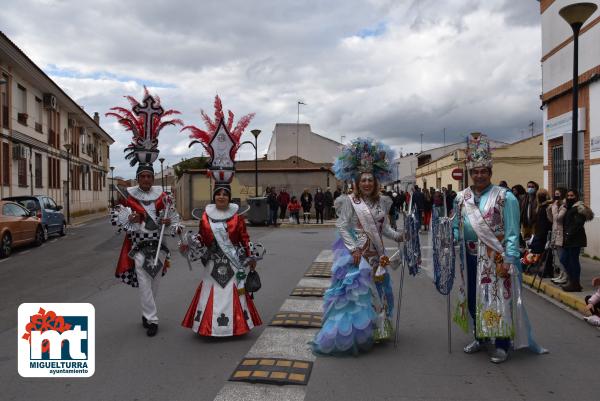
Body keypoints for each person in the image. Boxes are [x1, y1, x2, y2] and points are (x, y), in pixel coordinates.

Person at [453, 133, 545, 364]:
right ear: (470, 173)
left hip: (496, 257)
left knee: (497, 299)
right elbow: (456, 226)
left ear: (490, 172)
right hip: (470, 256)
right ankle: (480, 337)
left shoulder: (506, 197)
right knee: (473, 299)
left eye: (484, 171)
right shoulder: (461, 198)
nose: (479, 175)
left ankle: (502, 344)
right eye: (475, 171)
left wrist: (510, 259)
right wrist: (452, 237)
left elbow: (513, 232)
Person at [180, 94, 263, 337]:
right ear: (214, 197)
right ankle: (210, 328)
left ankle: (235, 327)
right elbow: (201, 239)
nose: (222, 198)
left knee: (232, 292)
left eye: (225, 195)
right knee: (212, 291)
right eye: (218, 195)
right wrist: (190, 245)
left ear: (229, 196)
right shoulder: (205, 216)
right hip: (212, 263)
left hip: (233, 261)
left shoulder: (238, 215)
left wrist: (250, 257)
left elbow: (244, 238)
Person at [312, 138, 404, 355]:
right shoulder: (349, 201)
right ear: (356, 181)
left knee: (378, 293)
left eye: (370, 180)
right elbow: (342, 226)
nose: (366, 183)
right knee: (357, 297)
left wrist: (400, 236)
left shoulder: (383, 202)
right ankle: (355, 334)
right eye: (363, 180)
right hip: (357, 255)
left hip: (377, 256)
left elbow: (385, 229)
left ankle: (376, 329)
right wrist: (353, 249)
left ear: (375, 182)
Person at [107, 89, 184, 337]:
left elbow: (175, 223)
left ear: (153, 178)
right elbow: (117, 222)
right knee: (143, 282)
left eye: (150, 176)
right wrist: (129, 219)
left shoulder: (163, 197)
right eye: (142, 176)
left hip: (159, 247)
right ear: (138, 177)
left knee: (154, 282)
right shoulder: (129, 197)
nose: (147, 179)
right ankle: (152, 320)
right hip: (139, 246)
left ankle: (147, 311)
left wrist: (170, 223)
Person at [559, 189, 594, 292]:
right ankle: (573, 281)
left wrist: (569, 233)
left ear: (576, 196)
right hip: (568, 239)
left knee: (573, 261)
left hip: (575, 239)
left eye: (572, 195)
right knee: (564, 259)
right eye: (568, 195)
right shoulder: (569, 207)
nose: (570, 197)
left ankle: (575, 283)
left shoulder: (579, 208)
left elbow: (578, 223)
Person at [548, 188, 568, 284]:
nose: (556, 196)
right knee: (559, 256)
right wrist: (549, 209)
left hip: (561, 233)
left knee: (563, 257)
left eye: (558, 194)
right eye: (555, 194)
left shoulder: (564, 205)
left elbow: (558, 218)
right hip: (555, 232)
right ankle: (561, 274)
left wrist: (554, 208)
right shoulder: (555, 205)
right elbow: (552, 219)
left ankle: (565, 275)